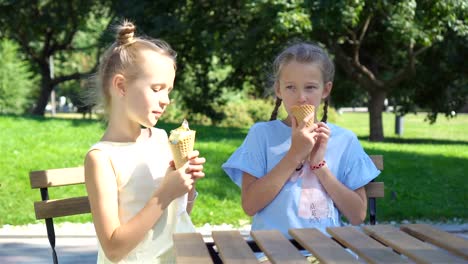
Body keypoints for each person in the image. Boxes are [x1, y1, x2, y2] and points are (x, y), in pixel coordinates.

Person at [222, 42, 380, 262]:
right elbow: (250, 205)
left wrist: (319, 166)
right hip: (269, 251)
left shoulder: (344, 140)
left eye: (310, 87)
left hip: (326, 250)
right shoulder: (262, 135)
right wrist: (294, 155)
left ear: (326, 90)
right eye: (290, 87)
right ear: (278, 90)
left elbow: (357, 215)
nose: (301, 97)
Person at [84, 20, 206, 263]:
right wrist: (165, 194)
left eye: (168, 90)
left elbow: (178, 216)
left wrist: (187, 186)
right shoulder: (101, 158)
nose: (166, 100)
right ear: (121, 86)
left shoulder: (161, 139)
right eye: (157, 88)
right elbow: (113, 248)